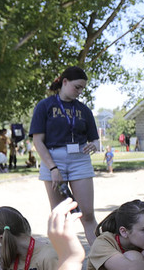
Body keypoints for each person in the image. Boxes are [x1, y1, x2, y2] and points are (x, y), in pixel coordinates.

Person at [30, 65, 101, 242]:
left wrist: (93, 145)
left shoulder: (84, 110)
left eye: (82, 88)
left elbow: (95, 140)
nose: (79, 92)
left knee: (87, 214)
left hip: (80, 160)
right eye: (77, 87)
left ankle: (102, 261)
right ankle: (60, 262)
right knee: (59, 216)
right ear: (64, 82)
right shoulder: (44, 106)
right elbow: (37, 141)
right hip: (53, 160)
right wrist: (53, 168)